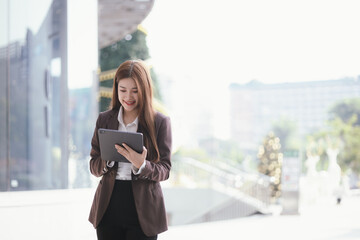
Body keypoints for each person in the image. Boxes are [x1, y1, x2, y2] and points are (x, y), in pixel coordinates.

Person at [88, 60, 172, 240]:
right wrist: (108, 158)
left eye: (135, 91)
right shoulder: (104, 120)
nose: (128, 97)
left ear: (145, 90)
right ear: (116, 89)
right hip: (108, 206)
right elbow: (93, 166)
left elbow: (165, 170)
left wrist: (142, 165)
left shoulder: (159, 123)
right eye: (123, 90)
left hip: (144, 211)